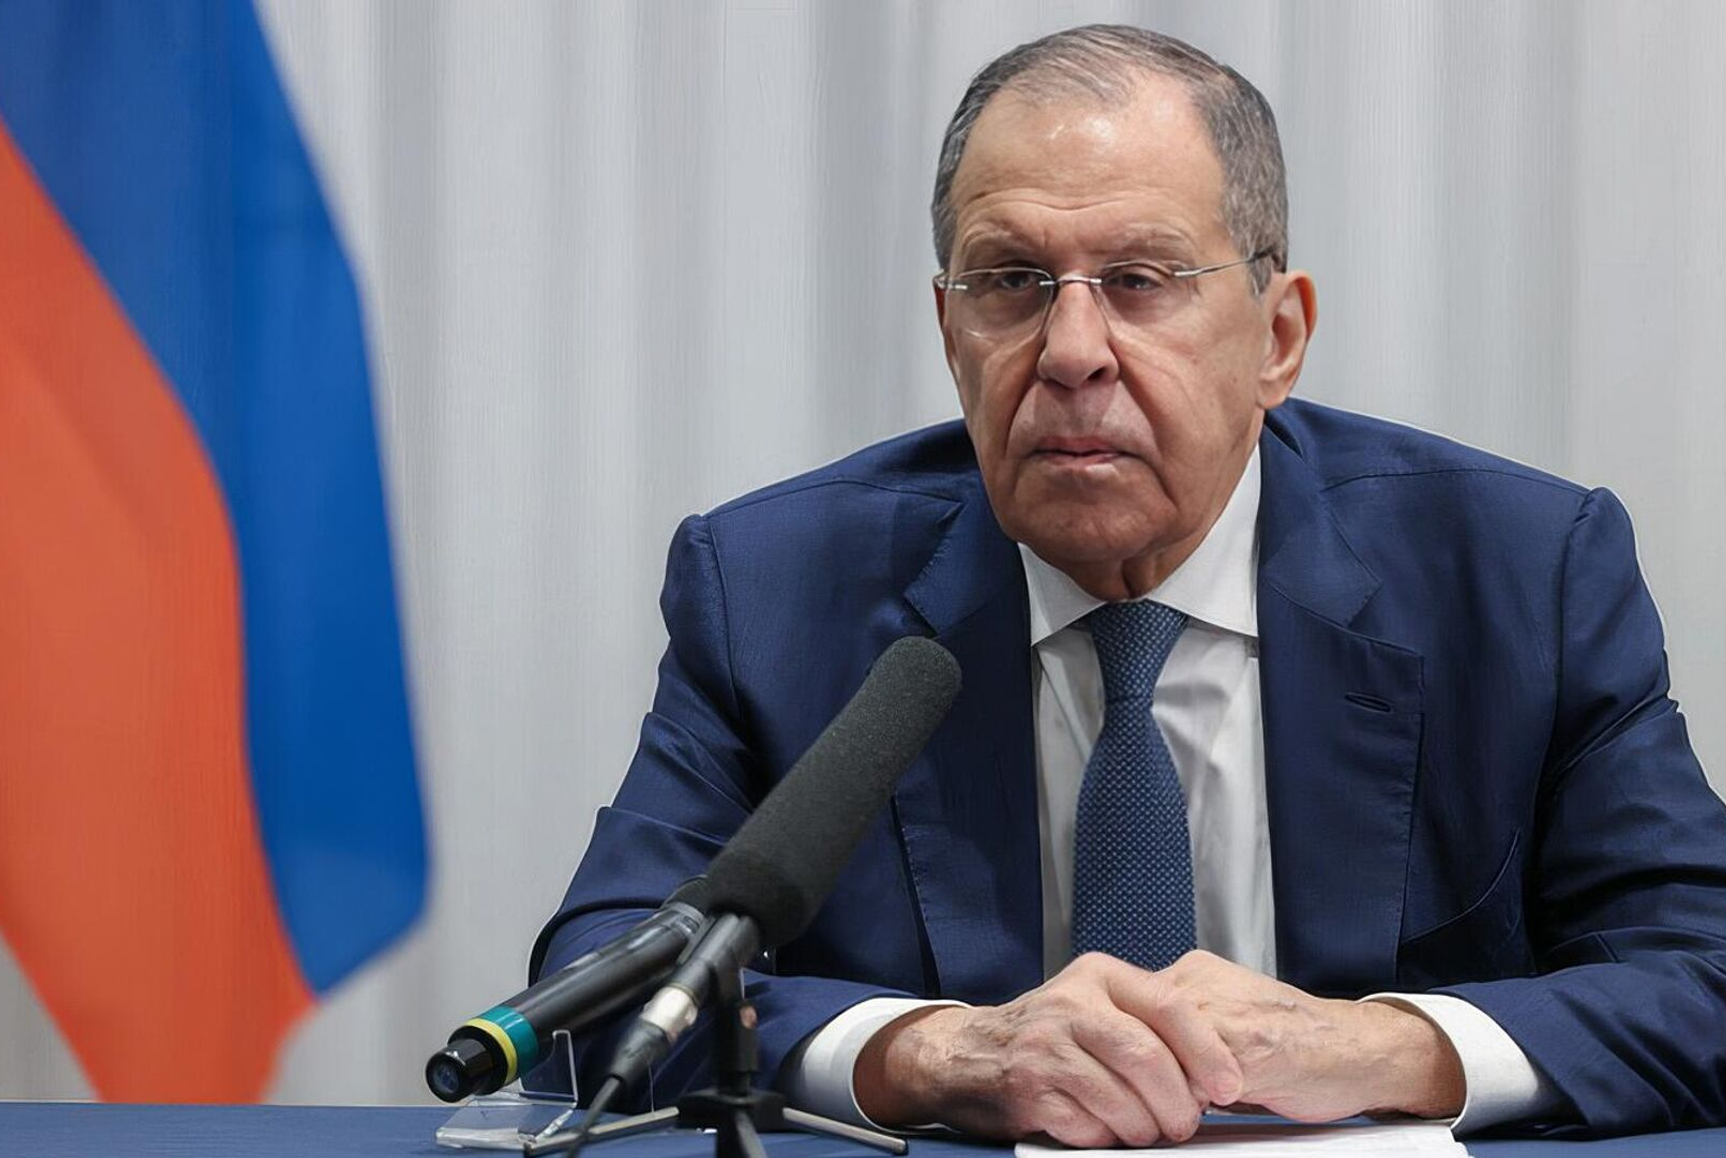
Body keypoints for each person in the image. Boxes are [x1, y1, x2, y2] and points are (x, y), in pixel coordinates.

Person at [532, 24, 1726, 1144]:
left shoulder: (1517, 573)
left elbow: (1702, 973)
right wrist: (929, 1054)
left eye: (1141, 279)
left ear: (1276, 337)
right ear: (949, 333)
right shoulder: (775, 591)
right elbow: (592, 997)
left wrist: (1387, 1046)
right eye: (1009, 281)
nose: (1069, 352)